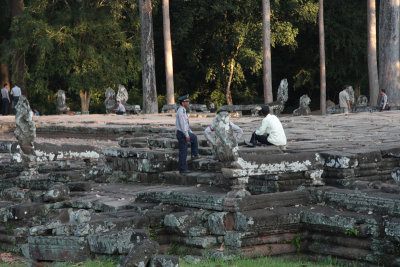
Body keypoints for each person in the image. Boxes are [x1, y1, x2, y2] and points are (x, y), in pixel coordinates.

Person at [176, 94, 199, 173]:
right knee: (183, 152)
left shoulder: (184, 110)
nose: (188, 103)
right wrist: (187, 135)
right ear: (183, 103)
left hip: (185, 132)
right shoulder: (181, 111)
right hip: (182, 134)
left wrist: (191, 132)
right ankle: (182, 169)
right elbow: (182, 125)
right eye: (186, 102)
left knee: (194, 138)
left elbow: (186, 124)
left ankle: (194, 154)